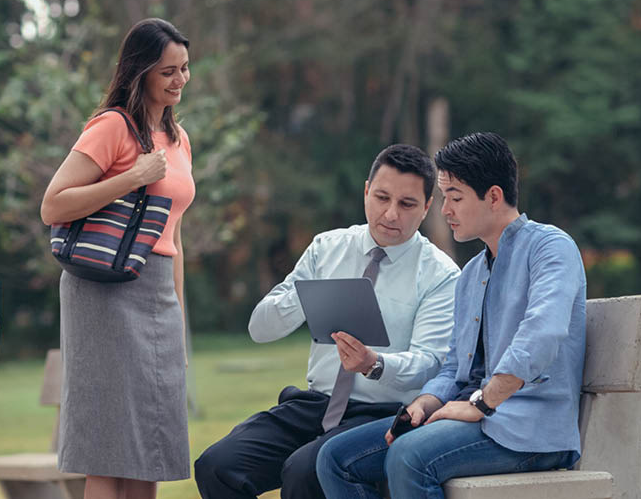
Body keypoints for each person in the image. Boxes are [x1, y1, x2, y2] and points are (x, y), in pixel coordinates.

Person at [316, 132, 587, 498]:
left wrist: (481, 403)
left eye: (454, 198)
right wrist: (424, 404)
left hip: (530, 430)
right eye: (445, 198)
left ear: (493, 196)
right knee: (335, 457)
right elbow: (455, 367)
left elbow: (541, 335)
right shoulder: (472, 274)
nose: (445, 210)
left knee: (409, 456)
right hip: (474, 418)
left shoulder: (550, 248)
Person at [194, 144, 460, 499]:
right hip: (314, 405)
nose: (390, 214)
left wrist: (374, 364)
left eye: (407, 204)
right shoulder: (326, 247)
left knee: (304, 471)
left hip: (381, 413)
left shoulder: (440, 274)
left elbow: (431, 363)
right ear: (366, 191)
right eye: (381, 197)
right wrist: (307, 294)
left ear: (427, 207)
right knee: (216, 465)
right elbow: (260, 329)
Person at [39, 18, 195, 499]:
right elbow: (53, 205)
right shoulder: (111, 127)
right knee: (107, 446)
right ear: (140, 72)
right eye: (168, 70)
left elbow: (175, 233)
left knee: (150, 445)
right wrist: (131, 177)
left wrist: (178, 312)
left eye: (185, 68)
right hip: (103, 293)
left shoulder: (179, 138)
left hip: (158, 293)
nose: (180, 80)